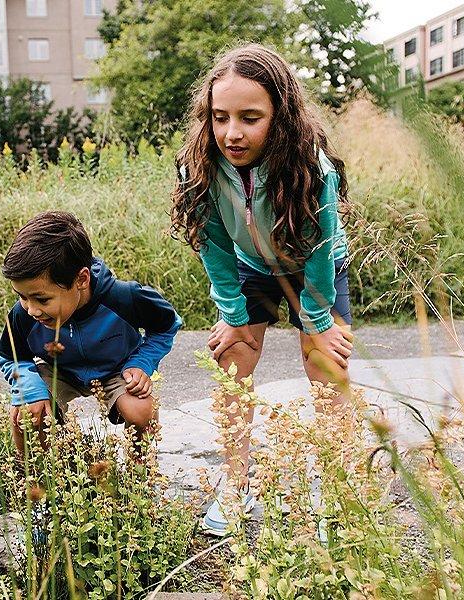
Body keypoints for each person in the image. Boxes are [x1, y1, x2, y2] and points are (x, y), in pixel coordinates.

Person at [171, 43, 355, 536]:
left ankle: (336, 490)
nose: (232, 132)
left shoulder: (312, 168)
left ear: (280, 115)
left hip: (315, 268)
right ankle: (236, 486)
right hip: (251, 268)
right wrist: (232, 314)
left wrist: (317, 324)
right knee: (234, 359)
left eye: (250, 117)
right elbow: (213, 246)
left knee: (325, 363)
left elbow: (320, 245)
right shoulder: (201, 167)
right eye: (220, 117)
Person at [0, 210, 182, 457]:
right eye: (22, 297)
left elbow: (167, 325)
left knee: (141, 410)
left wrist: (142, 363)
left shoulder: (123, 298)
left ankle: (141, 477)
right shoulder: (22, 316)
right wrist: (30, 387)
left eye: (41, 298)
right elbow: (11, 357)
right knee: (26, 413)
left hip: (116, 370)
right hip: (59, 371)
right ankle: (36, 480)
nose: (31, 309)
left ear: (81, 279)